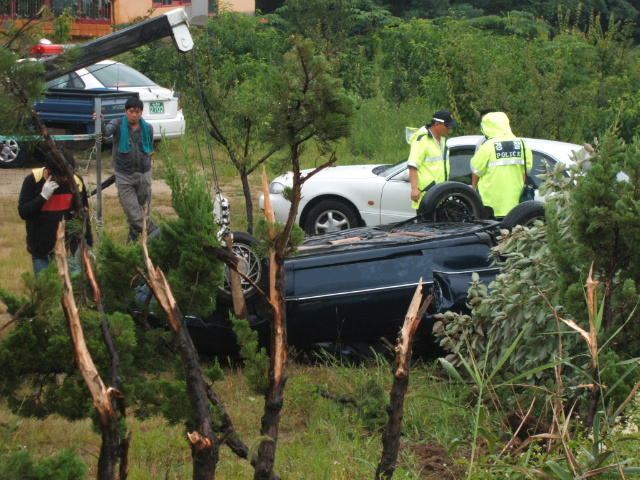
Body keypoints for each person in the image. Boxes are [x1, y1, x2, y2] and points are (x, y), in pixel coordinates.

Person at [18, 148, 93, 275]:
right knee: (48, 292)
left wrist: (88, 244)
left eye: (67, 175)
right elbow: (23, 212)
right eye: (61, 177)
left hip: (70, 249)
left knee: (74, 289)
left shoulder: (75, 182)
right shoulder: (32, 181)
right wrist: (42, 197)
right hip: (41, 251)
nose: (65, 179)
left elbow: (83, 215)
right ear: (49, 171)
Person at [94, 96, 159, 242]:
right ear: (126, 111)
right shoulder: (117, 124)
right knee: (132, 210)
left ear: (141, 112)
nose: (134, 115)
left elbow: (148, 148)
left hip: (144, 173)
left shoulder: (147, 128)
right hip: (124, 174)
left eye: (137, 112)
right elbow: (105, 132)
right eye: (131, 111)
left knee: (143, 208)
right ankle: (155, 230)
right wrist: (101, 122)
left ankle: (134, 238)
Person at [470, 111, 532, 218]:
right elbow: (525, 172)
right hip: (515, 205)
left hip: (489, 205)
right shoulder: (522, 144)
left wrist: (474, 194)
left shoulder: (487, 146)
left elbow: (476, 171)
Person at [407, 109, 458, 211]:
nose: (449, 129)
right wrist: (414, 189)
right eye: (447, 126)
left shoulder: (443, 140)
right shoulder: (421, 140)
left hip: (440, 193)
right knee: (426, 226)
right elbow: (413, 165)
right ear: (437, 125)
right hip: (427, 195)